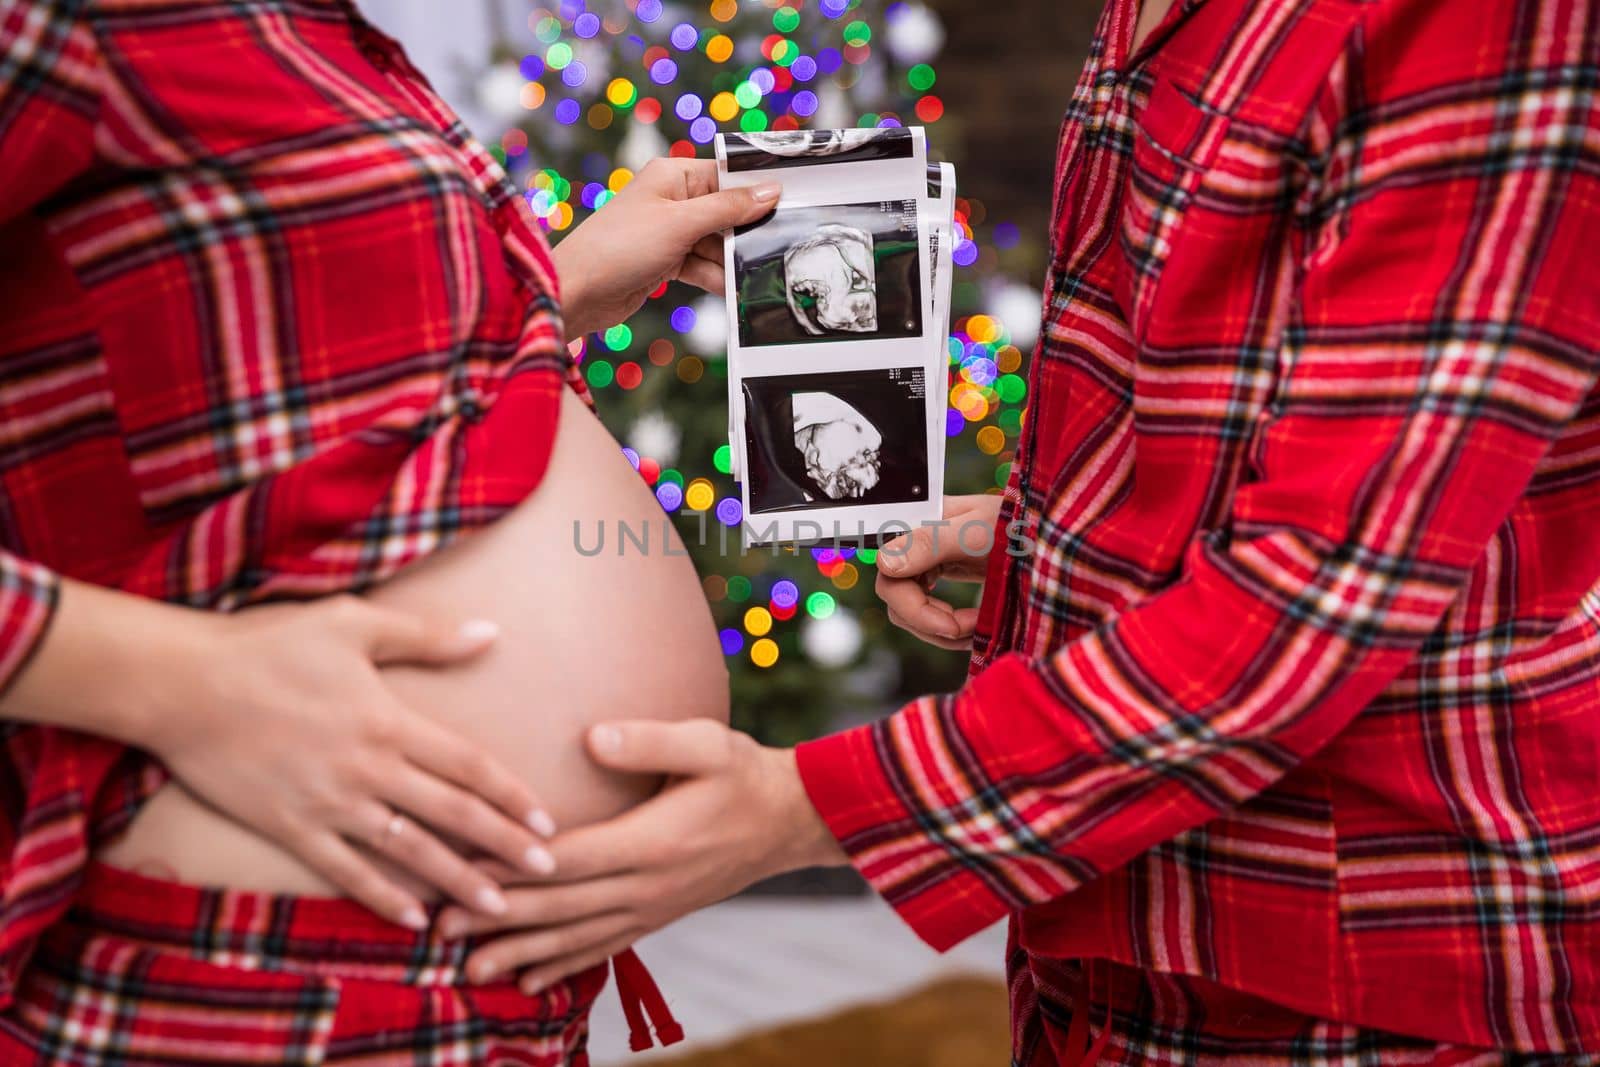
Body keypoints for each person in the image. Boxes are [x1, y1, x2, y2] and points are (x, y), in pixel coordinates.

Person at [477, 0, 1600, 1062]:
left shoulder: (1477, 27)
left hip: (1359, 945)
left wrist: (813, 805)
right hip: (1108, 911)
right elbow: (1242, 390)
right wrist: (1053, 541)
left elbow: (1323, 593)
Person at [0, 1, 779, 1062]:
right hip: (264, 979)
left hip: (492, 971)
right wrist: (176, 676)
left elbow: (323, 378)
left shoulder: (306, 26)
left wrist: (566, 277)